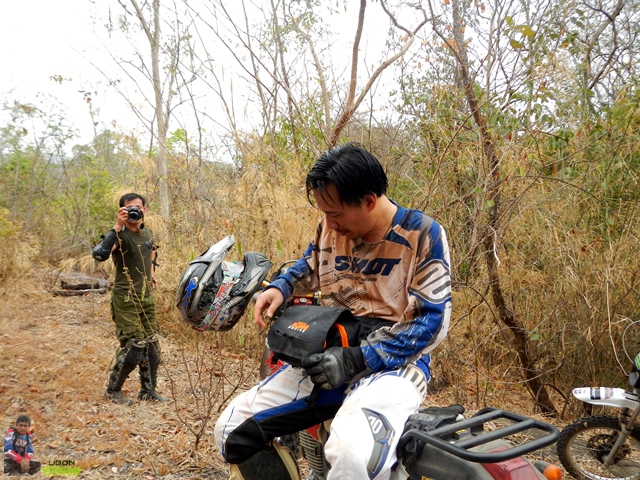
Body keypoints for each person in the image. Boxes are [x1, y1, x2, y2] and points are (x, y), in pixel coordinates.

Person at [213, 143, 452, 480]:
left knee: (350, 454)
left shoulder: (421, 233)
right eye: (324, 213)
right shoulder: (330, 227)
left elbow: (432, 322)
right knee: (230, 430)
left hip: (395, 365)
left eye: (335, 213)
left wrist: (357, 359)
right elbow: (310, 264)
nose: (328, 223)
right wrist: (280, 287)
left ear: (369, 201)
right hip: (327, 353)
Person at [92, 193, 168, 405]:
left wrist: (151, 273)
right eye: (129, 208)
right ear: (122, 211)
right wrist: (117, 226)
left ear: (145, 210)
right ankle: (112, 391)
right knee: (135, 345)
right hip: (125, 297)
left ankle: (148, 390)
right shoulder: (119, 236)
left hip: (146, 297)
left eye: (139, 207)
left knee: (152, 345)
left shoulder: (147, 233)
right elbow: (99, 254)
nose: (135, 211)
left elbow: (151, 251)